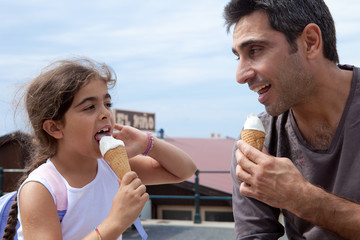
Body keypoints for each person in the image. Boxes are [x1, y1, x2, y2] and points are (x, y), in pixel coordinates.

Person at [2, 58, 197, 240]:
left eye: (107, 103)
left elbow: (184, 170)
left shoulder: (111, 167)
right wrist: (116, 221)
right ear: (55, 128)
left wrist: (147, 143)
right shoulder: (41, 189)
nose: (105, 113)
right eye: (89, 107)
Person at [223, 0, 360, 239]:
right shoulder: (258, 143)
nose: (240, 76)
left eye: (255, 50)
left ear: (310, 42)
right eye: (239, 57)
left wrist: (302, 199)